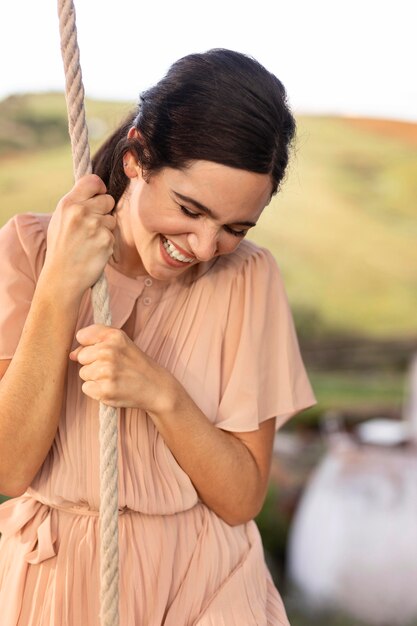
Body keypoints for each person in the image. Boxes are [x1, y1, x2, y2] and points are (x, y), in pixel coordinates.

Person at [0, 49, 315, 625]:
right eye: (190, 209)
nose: (203, 247)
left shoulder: (248, 276)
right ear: (138, 156)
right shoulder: (27, 250)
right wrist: (58, 288)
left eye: (234, 227)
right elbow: (7, 467)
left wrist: (162, 395)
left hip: (208, 587)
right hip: (60, 588)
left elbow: (242, 497)